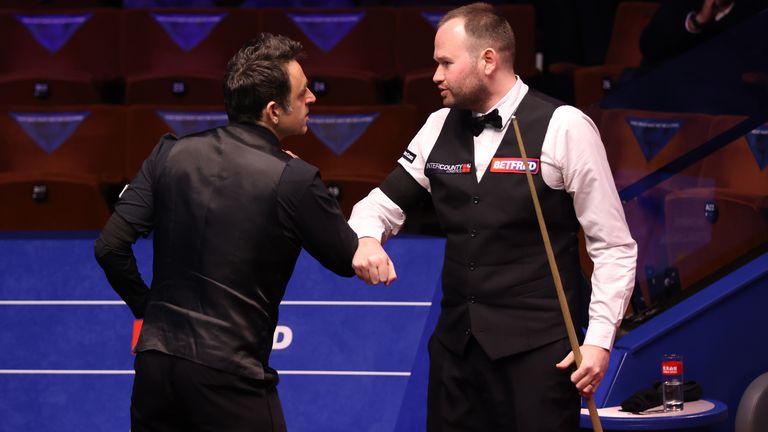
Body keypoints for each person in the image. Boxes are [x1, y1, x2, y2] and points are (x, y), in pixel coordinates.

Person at [349, 3, 637, 431]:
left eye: (446, 63)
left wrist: (597, 342)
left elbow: (613, 246)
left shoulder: (564, 127)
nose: (435, 76)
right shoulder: (438, 126)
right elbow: (376, 206)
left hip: (539, 359)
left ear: (488, 60)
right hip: (455, 357)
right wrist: (368, 238)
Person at [94, 33, 359, 432]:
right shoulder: (294, 178)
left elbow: (110, 247)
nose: (313, 99)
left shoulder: (168, 153)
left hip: (156, 369)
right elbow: (345, 257)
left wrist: (150, 311)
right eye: (304, 93)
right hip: (230, 379)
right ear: (273, 110)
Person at [640, 0, 768, 69]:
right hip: (666, 83)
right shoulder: (681, 3)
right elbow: (649, 47)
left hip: (721, 94)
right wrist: (698, 21)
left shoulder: (757, 8)